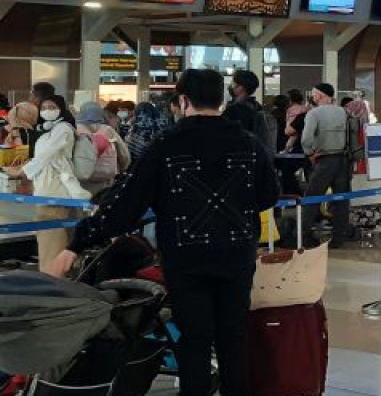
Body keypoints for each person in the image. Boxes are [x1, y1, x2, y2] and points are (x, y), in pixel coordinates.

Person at [51, 69, 280, 396]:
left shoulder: (166, 145)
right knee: (234, 338)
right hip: (236, 256)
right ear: (222, 100)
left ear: (182, 101)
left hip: (186, 260)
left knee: (195, 341)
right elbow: (268, 195)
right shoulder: (248, 143)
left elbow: (125, 206)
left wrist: (78, 243)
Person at [3, 95, 87, 273]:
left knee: (50, 242)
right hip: (51, 189)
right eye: (44, 107)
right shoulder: (49, 130)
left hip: (53, 192)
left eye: (52, 106)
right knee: (61, 240)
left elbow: (47, 154)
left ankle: (52, 281)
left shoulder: (63, 128)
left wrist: (22, 171)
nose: (47, 110)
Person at [300, 83, 353, 249]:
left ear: (321, 95)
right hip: (344, 160)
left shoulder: (313, 113)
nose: (312, 97)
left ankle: (304, 237)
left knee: (312, 198)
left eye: (314, 94)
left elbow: (306, 139)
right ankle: (339, 238)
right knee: (342, 200)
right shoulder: (344, 112)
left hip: (324, 160)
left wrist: (309, 153)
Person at [76, 102, 131, 193]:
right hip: (106, 179)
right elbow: (124, 155)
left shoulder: (76, 130)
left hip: (82, 179)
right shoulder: (108, 130)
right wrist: (121, 168)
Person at [223, 70, 276, 157]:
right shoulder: (257, 107)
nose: (231, 85)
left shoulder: (233, 110)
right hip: (255, 156)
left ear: (241, 87)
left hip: (238, 158)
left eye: (233, 82)